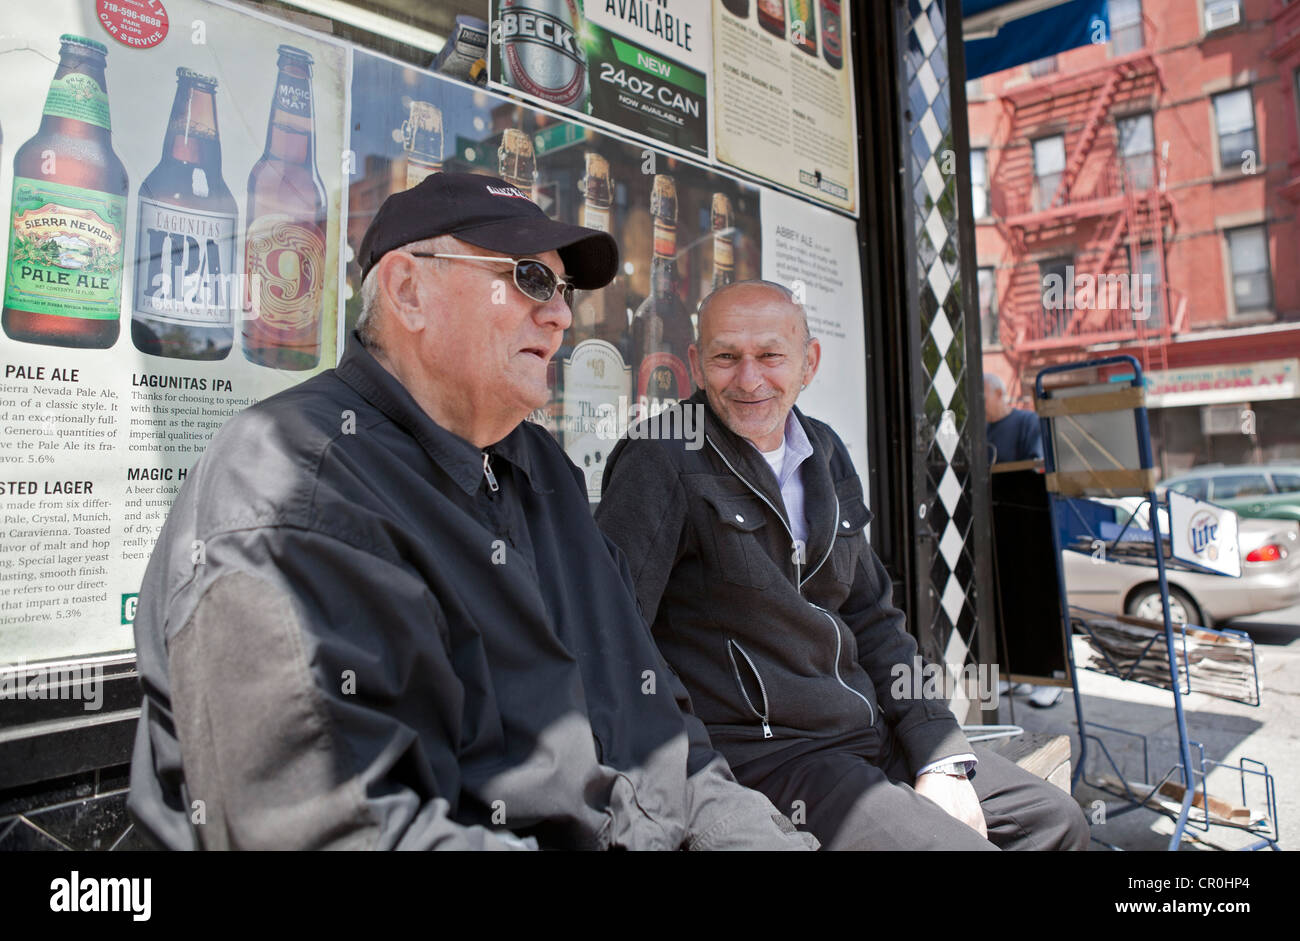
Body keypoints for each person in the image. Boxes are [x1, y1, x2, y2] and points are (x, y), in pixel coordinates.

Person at [127, 173, 816, 851]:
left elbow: (661, 735)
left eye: (563, 290)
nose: (561, 315)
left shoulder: (544, 471)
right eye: (529, 278)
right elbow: (338, 829)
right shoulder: (291, 483)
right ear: (408, 290)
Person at [596, 280, 1089, 850]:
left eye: (771, 356)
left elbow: (875, 619)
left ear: (810, 362)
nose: (749, 378)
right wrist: (693, 785)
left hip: (869, 731)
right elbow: (615, 640)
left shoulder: (824, 451)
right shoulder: (660, 457)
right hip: (773, 758)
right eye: (726, 357)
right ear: (696, 365)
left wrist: (938, 749)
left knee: (1057, 821)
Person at [983, 372, 1062, 707]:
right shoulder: (981, 432)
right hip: (999, 533)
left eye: (982, 393)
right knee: (1006, 602)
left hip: (1031, 533)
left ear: (1000, 393)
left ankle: (1049, 677)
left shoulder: (1028, 422)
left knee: (1037, 602)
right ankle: (1012, 675)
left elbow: (1037, 467)